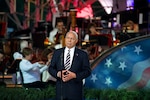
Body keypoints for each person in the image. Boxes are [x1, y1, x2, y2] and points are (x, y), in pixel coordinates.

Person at [49, 31, 91, 100]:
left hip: (75, 91)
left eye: (72, 38)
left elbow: (87, 71)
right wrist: (58, 74)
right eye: (68, 38)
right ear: (65, 39)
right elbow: (51, 68)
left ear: (76, 41)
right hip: (61, 91)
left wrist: (75, 75)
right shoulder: (57, 53)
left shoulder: (82, 54)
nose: (69, 40)